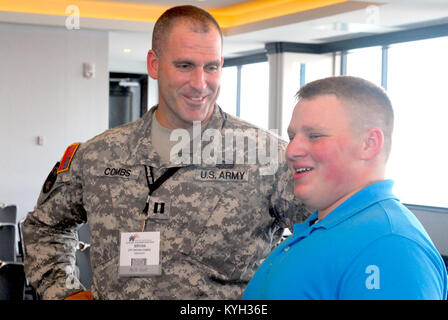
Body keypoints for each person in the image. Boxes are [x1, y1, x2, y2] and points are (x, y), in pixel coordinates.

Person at [23, 5, 308, 300]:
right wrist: (64, 293)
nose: (200, 84)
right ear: (154, 64)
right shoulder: (99, 154)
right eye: (184, 66)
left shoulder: (267, 156)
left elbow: (330, 237)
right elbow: (43, 227)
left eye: (211, 67)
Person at [243, 76, 448, 300]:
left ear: (369, 144)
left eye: (315, 136)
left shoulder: (389, 247)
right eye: (292, 136)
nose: (291, 151)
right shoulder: (326, 226)